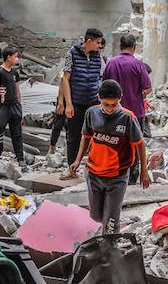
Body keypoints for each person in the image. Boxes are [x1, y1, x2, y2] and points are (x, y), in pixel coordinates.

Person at [69, 79, 151, 232]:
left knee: (111, 221)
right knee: (96, 216)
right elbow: (85, 137)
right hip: (93, 174)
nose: (110, 109)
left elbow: (140, 144)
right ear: (99, 99)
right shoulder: (91, 113)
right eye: (106, 104)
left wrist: (143, 171)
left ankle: (110, 248)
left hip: (117, 177)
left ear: (120, 99)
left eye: (114, 105)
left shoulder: (127, 118)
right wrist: (78, 160)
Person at [102, 34, 153, 181]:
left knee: (114, 142)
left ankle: (114, 173)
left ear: (120, 47)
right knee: (135, 144)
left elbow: (104, 86)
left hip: (113, 111)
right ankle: (132, 177)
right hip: (135, 112)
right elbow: (147, 88)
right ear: (134, 47)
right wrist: (137, 93)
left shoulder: (111, 63)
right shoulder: (138, 64)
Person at [60, 28, 106, 174]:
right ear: (89, 41)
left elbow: (100, 78)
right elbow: (65, 79)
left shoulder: (97, 56)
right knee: (73, 137)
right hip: (76, 102)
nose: (99, 46)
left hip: (93, 102)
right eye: (97, 42)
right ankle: (71, 169)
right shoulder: (72, 53)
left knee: (95, 136)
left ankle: (94, 170)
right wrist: (68, 104)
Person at [0, 47, 28, 163]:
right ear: (8, 57)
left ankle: (20, 158)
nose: (17, 59)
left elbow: (17, 90)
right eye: (15, 56)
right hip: (3, 107)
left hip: (15, 106)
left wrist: (19, 105)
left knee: (17, 134)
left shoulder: (15, 72)